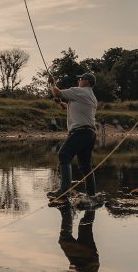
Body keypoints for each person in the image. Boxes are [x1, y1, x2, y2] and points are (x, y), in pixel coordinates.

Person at [47, 72, 98, 200]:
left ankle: (64, 191)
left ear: (86, 81)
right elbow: (72, 108)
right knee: (85, 165)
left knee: (64, 155)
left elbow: (57, 92)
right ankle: (91, 194)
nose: (78, 80)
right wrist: (60, 104)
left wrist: (52, 83)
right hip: (90, 133)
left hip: (80, 132)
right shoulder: (90, 95)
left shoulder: (80, 91)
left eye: (80, 78)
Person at [57, 204, 100, 272]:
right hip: (85, 259)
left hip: (91, 259)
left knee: (85, 226)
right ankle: (66, 209)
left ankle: (91, 204)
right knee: (64, 239)